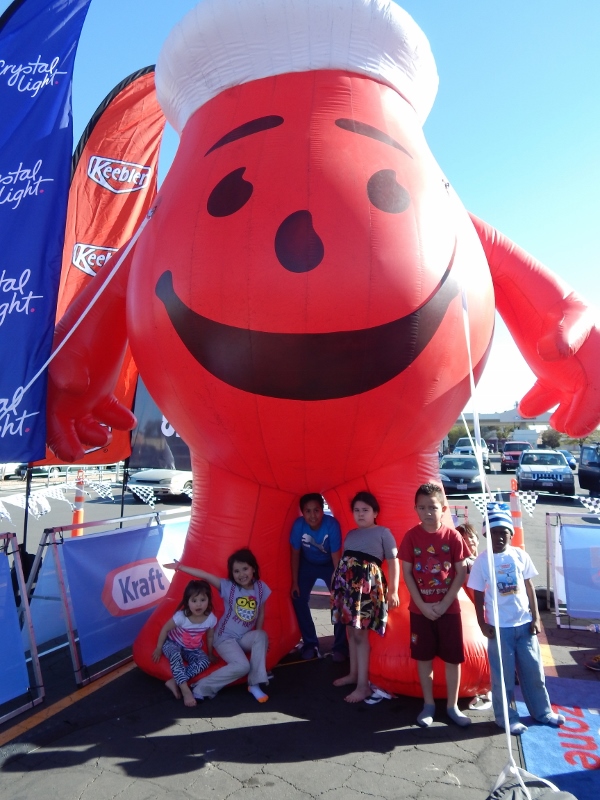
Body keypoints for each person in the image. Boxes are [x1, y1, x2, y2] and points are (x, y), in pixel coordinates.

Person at [467, 504, 566, 735]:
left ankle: (542, 711)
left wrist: (536, 617)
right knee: (503, 678)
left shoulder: (520, 555)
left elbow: (529, 585)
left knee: (533, 672)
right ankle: (506, 718)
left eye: (504, 532)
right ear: (486, 534)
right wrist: (483, 623)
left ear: (511, 534)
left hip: (524, 624)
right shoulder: (483, 561)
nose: (499, 537)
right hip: (500, 629)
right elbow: (478, 594)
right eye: (494, 532)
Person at [399, 483, 472, 727]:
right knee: (424, 659)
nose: (427, 512)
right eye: (422, 507)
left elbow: (460, 573)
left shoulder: (453, 537)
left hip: (449, 610)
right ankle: (428, 704)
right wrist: (421, 604)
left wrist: (443, 604)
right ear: (415, 509)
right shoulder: (411, 537)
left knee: (453, 659)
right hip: (420, 611)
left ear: (443, 508)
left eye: (432, 507)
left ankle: (452, 706)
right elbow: (407, 573)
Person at [165, 548, 271, 703]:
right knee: (242, 666)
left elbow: (260, 613)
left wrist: (259, 643)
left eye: (245, 569)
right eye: (236, 571)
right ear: (231, 573)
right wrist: (181, 567)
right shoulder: (229, 587)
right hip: (224, 637)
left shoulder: (261, 588)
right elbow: (205, 576)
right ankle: (201, 687)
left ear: (253, 568)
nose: (241, 574)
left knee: (261, 635)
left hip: (243, 638)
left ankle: (254, 684)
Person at [331, 491, 399, 703]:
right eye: (357, 511)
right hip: (348, 588)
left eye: (365, 510)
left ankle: (363, 685)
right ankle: (353, 675)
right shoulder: (350, 534)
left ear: (375, 512)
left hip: (367, 590)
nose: (360, 514)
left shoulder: (383, 533)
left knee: (361, 635)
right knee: (351, 631)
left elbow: (394, 561)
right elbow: (343, 561)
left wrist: (393, 590)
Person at [290, 493, 348, 661]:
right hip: (307, 563)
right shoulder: (299, 526)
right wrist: (295, 582)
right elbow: (294, 554)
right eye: (308, 511)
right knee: (298, 597)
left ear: (323, 511)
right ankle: (310, 643)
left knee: (339, 599)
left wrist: (337, 583)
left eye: (316, 510)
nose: (313, 515)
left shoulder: (331, 525)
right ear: (302, 513)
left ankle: (340, 646)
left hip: (329, 562)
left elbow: (336, 557)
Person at [153, 579, 217, 707]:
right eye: (194, 601)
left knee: (204, 661)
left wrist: (210, 653)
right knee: (175, 655)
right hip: (173, 643)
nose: (198, 605)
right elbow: (165, 629)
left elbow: (210, 637)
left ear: (208, 600)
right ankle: (185, 689)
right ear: (187, 602)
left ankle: (174, 681)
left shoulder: (210, 619)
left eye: (202, 600)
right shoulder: (181, 617)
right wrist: (159, 647)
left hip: (192, 648)